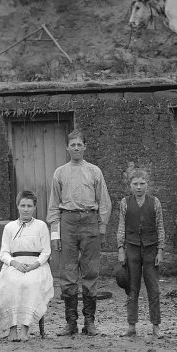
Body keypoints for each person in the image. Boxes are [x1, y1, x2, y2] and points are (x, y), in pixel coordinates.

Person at [46, 129, 111, 337]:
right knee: (67, 272)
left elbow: (104, 202)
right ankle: (71, 322)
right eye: (72, 145)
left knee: (91, 271)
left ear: (85, 147)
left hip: (90, 220)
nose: (76, 148)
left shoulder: (94, 171)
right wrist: (55, 235)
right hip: (68, 222)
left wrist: (101, 228)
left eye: (79, 144)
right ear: (67, 148)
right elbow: (54, 207)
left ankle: (89, 322)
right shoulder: (60, 173)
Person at [0, 190, 55, 342]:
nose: (26, 209)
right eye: (23, 205)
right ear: (17, 206)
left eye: (29, 206)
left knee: (30, 283)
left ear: (34, 207)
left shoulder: (41, 226)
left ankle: (25, 328)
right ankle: (12, 329)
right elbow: (4, 253)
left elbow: (46, 252)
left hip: (37, 265)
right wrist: (14, 263)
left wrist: (34, 265)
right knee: (10, 283)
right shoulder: (9, 227)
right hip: (14, 265)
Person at [116, 169, 166, 338]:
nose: (138, 187)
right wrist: (120, 249)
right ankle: (131, 325)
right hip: (132, 248)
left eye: (142, 184)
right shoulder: (125, 202)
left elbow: (160, 227)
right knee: (132, 287)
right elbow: (121, 226)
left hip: (151, 248)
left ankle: (156, 326)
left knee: (153, 288)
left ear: (147, 184)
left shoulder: (155, 202)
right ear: (130, 185)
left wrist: (161, 250)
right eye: (135, 184)